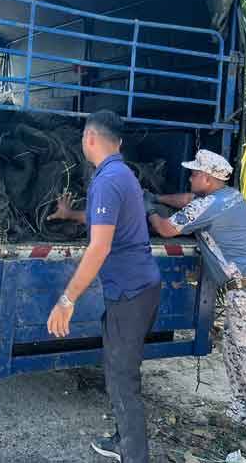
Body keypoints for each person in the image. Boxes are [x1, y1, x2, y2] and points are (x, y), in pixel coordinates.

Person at [145, 149, 246, 461]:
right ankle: (242, 416)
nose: (190, 175)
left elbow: (167, 229)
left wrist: (148, 209)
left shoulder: (210, 205)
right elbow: (187, 199)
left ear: (208, 179)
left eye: (195, 173)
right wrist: (159, 196)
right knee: (234, 353)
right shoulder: (229, 197)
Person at [46, 110, 162, 463]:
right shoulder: (119, 173)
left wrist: (67, 299)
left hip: (130, 293)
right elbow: (105, 218)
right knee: (120, 370)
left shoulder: (107, 179)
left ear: (89, 139)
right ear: (119, 142)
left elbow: (100, 246)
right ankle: (122, 438)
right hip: (139, 288)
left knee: (122, 378)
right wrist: (70, 216)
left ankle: (133, 455)